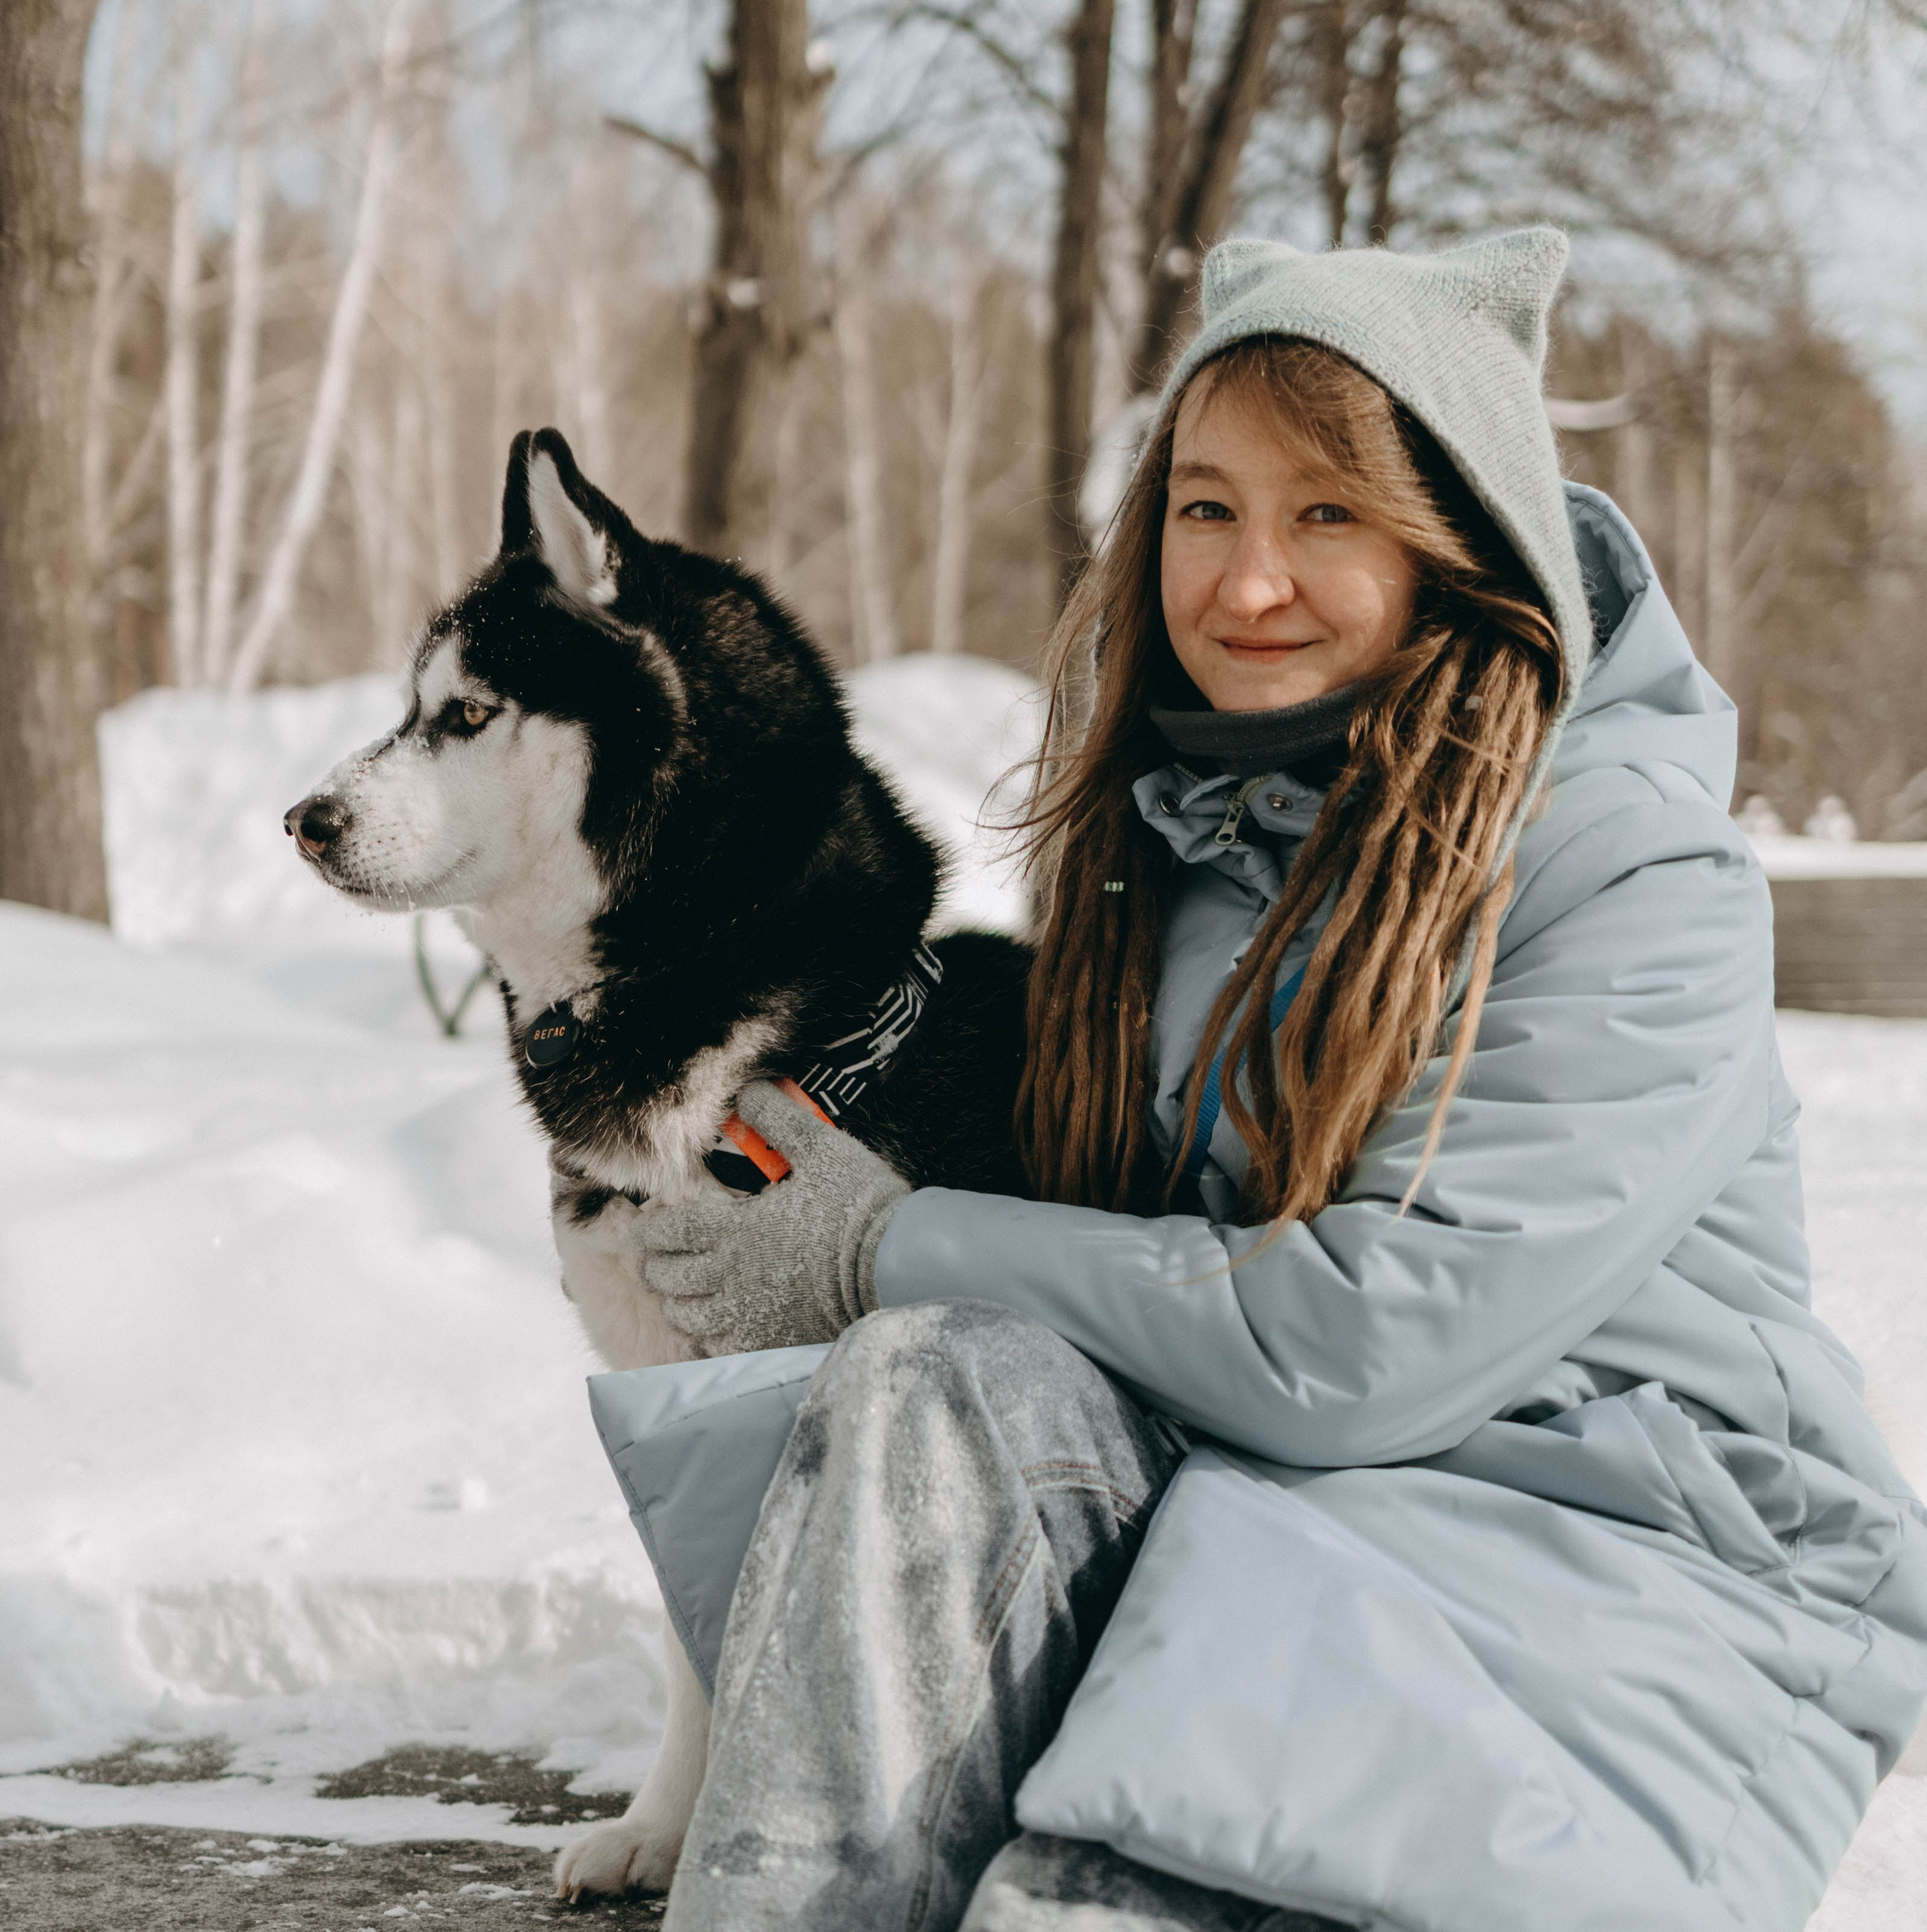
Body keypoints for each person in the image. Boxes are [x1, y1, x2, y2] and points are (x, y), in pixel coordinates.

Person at [609, 230, 1927, 1932]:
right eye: (1205, 507)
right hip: (1272, 1506)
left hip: (1602, 1532)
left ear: (1458, 544)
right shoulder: (1168, 845)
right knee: (932, 1382)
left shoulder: (1632, 872)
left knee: (1112, 1884)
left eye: (1326, 515)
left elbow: (1374, 1345)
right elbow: (1103, 1277)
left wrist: (889, 1237)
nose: (1243, 583)